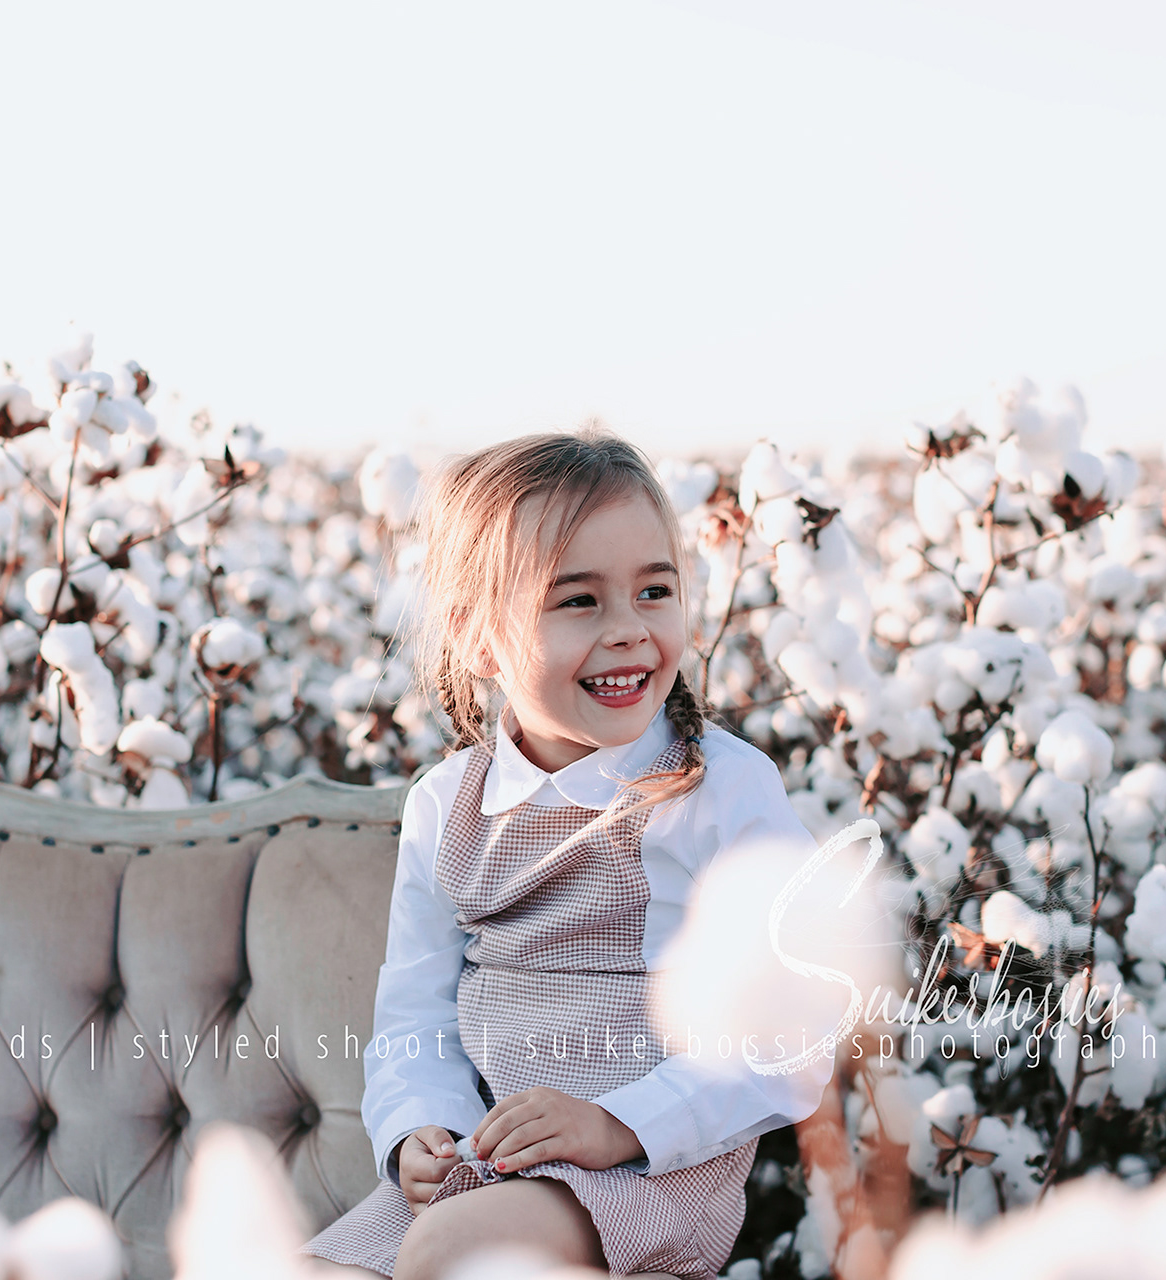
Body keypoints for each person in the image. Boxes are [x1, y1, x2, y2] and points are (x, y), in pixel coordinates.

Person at [304, 430, 829, 1280]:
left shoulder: (719, 792)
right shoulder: (447, 805)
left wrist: (618, 1123)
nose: (629, 631)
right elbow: (416, 1018)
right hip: (490, 1157)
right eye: (577, 601)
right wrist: (417, 1129)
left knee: (458, 1253)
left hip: (651, 1167)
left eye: (654, 590)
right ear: (479, 639)